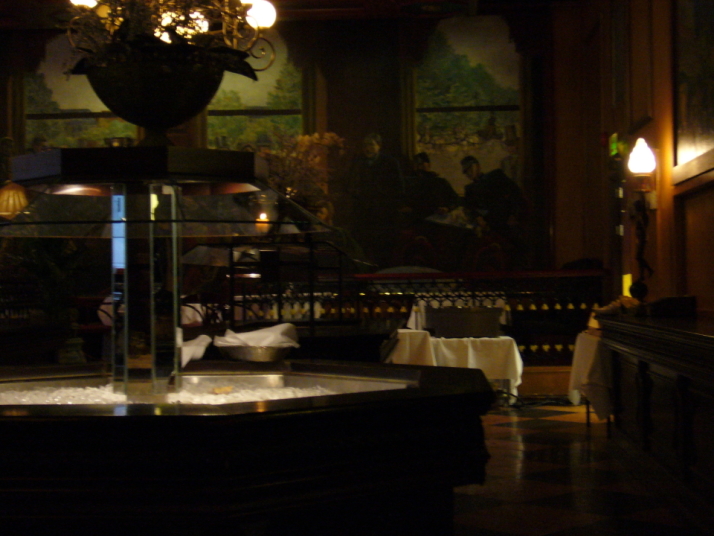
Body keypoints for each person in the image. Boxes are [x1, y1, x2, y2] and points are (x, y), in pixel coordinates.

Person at [343, 133, 404, 267]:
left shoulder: (390, 163)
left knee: (382, 249)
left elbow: (398, 188)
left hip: (383, 214)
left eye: (371, 145)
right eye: (365, 145)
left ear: (379, 146)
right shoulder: (358, 163)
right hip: (363, 213)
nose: (367, 148)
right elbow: (350, 184)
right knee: (363, 246)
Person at [461, 155, 526, 233]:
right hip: (489, 228)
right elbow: (470, 208)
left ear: (478, 166)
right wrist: (478, 218)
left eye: (470, 168)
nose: (468, 173)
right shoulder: (469, 189)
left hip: (508, 222)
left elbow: (515, 192)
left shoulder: (496, 176)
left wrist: (513, 214)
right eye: (466, 171)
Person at [407, 152, 460, 222]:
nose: (419, 167)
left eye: (421, 164)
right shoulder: (412, 183)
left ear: (429, 165)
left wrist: (447, 208)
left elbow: (455, 199)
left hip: (437, 220)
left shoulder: (440, 182)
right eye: (416, 165)